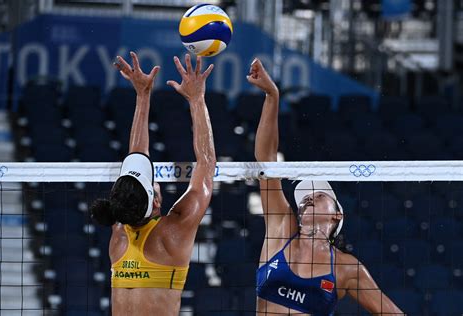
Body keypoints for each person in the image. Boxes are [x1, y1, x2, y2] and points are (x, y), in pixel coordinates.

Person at [247, 58, 403, 315]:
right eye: (304, 198)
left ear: (336, 214)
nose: (307, 199)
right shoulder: (281, 231)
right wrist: (272, 96)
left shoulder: (346, 268)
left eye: (317, 195)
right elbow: (265, 161)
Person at [89, 52, 216, 316]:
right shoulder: (174, 232)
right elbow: (206, 162)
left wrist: (142, 96)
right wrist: (196, 99)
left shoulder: (118, 234)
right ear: (156, 202)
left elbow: (137, 154)